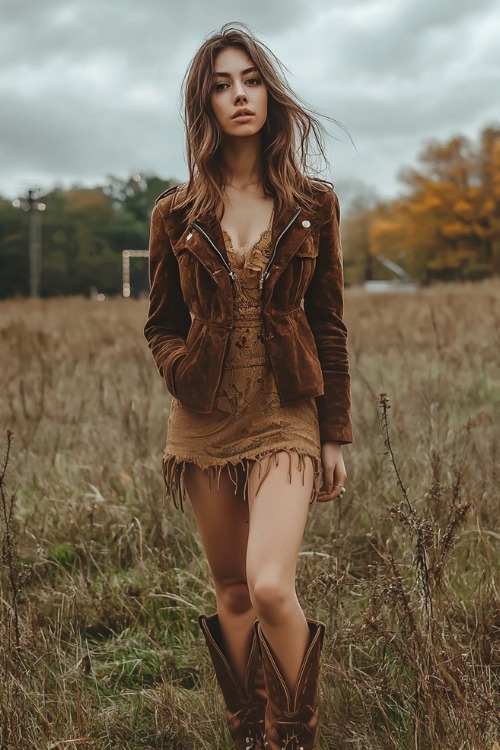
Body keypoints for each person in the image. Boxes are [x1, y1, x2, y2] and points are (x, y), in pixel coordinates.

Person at [144, 23, 352, 750]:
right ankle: (251, 735)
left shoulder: (313, 204)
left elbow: (329, 325)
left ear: (270, 92)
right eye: (222, 85)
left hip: (287, 412)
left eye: (251, 80)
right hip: (202, 420)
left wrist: (334, 433)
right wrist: (181, 367)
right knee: (231, 591)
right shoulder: (175, 213)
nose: (240, 96)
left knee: (269, 586)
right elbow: (160, 324)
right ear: (205, 106)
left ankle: (294, 737)